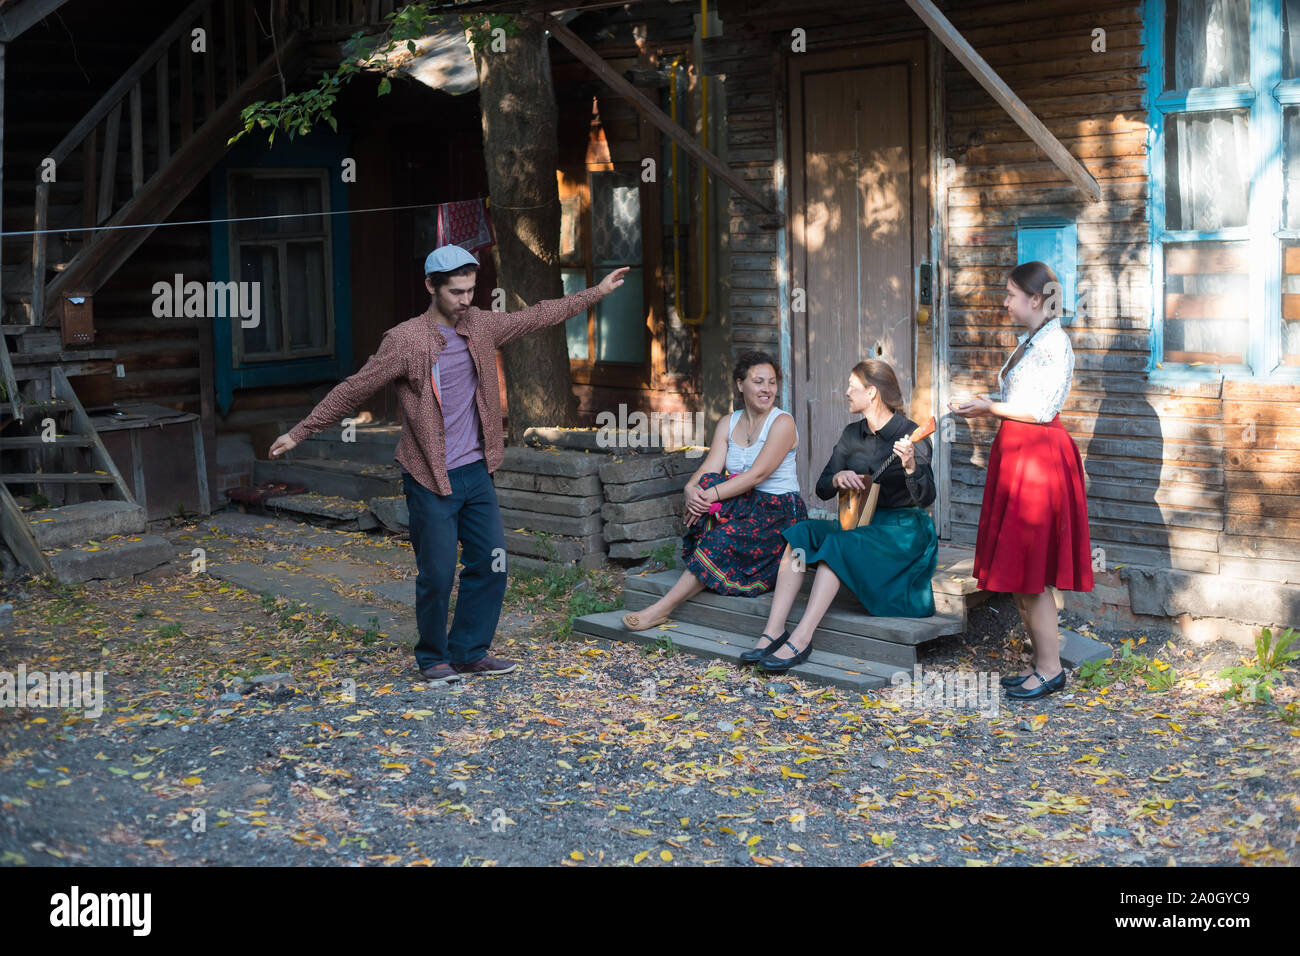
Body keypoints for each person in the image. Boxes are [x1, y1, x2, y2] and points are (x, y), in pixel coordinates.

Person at [268, 245, 629, 685]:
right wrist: (300, 431)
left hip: (476, 472)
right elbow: (355, 388)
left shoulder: (480, 325)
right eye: (456, 292)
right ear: (431, 287)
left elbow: (537, 316)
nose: (465, 300)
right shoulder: (406, 340)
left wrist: (596, 292)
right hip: (429, 476)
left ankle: (470, 651)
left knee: (493, 563)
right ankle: (432, 657)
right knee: (437, 574)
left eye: (471, 290)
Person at [949, 260, 1093, 700]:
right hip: (1020, 454)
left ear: (1035, 299)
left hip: (1038, 459)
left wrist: (989, 408)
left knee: (1032, 574)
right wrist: (987, 401)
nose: (1005, 302)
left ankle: (1050, 670)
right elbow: (1022, 400)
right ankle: (1039, 663)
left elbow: (1041, 410)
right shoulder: (1033, 340)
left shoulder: (1054, 344)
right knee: (1018, 573)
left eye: (1011, 295)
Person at [746, 359, 938, 672]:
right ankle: (774, 630)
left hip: (902, 530)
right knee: (801, 534)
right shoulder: (852, 434)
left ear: (872, 392)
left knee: (838, 545)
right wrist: (838, 478)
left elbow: (927, 496)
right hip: (860, 521)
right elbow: (822, 487)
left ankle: (803, 637)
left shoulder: (911, 435)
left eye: (853, 386)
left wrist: (910, 467)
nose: (846, 392)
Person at [622, 351, 807, 629]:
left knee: (718, 526)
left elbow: (758, 474)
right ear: (739, 384)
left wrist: (710, 496)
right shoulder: (728, 423)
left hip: (777, 511)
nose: (767, 389)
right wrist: (690, 489)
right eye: (758, 382)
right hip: (744, 503)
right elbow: (711, 468)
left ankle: (661, 609)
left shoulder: (783, 423)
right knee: (706, 485)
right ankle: (712, 562)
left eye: (772, 382)